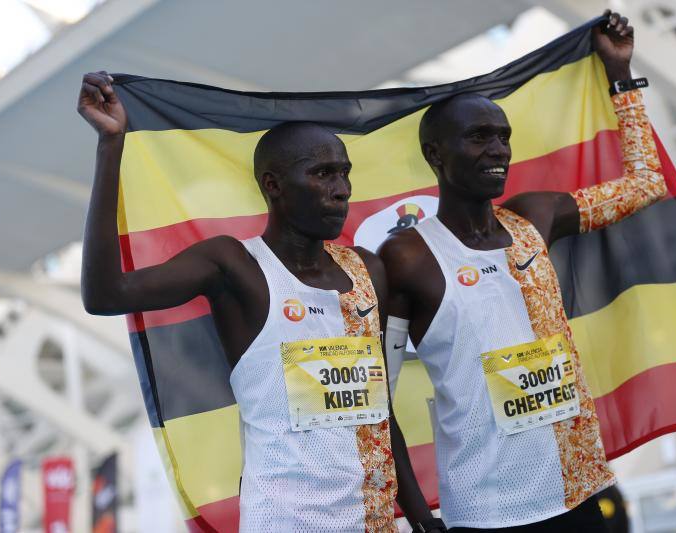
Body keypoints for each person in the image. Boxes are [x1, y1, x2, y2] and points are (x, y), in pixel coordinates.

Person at [76, 74, 441, 531]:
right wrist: (111, 146)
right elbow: (105, 294)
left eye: (344, 172)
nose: (343, 189)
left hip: (376, 521)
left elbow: (379, 410)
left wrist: (423, 519)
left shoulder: (368, 269)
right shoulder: (234, 265)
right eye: (323, 173)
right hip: (284, 521)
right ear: (274, 185)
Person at [379, 11, 666, 532]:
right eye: (479, 137)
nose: (498, 150)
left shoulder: (536, 216)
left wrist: (620, 74)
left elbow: (647, 183)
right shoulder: (408, 257)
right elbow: (377, 397)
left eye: (504, 136)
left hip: (579, 490)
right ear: (434, 154)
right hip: (488, 511)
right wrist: (418, 515)